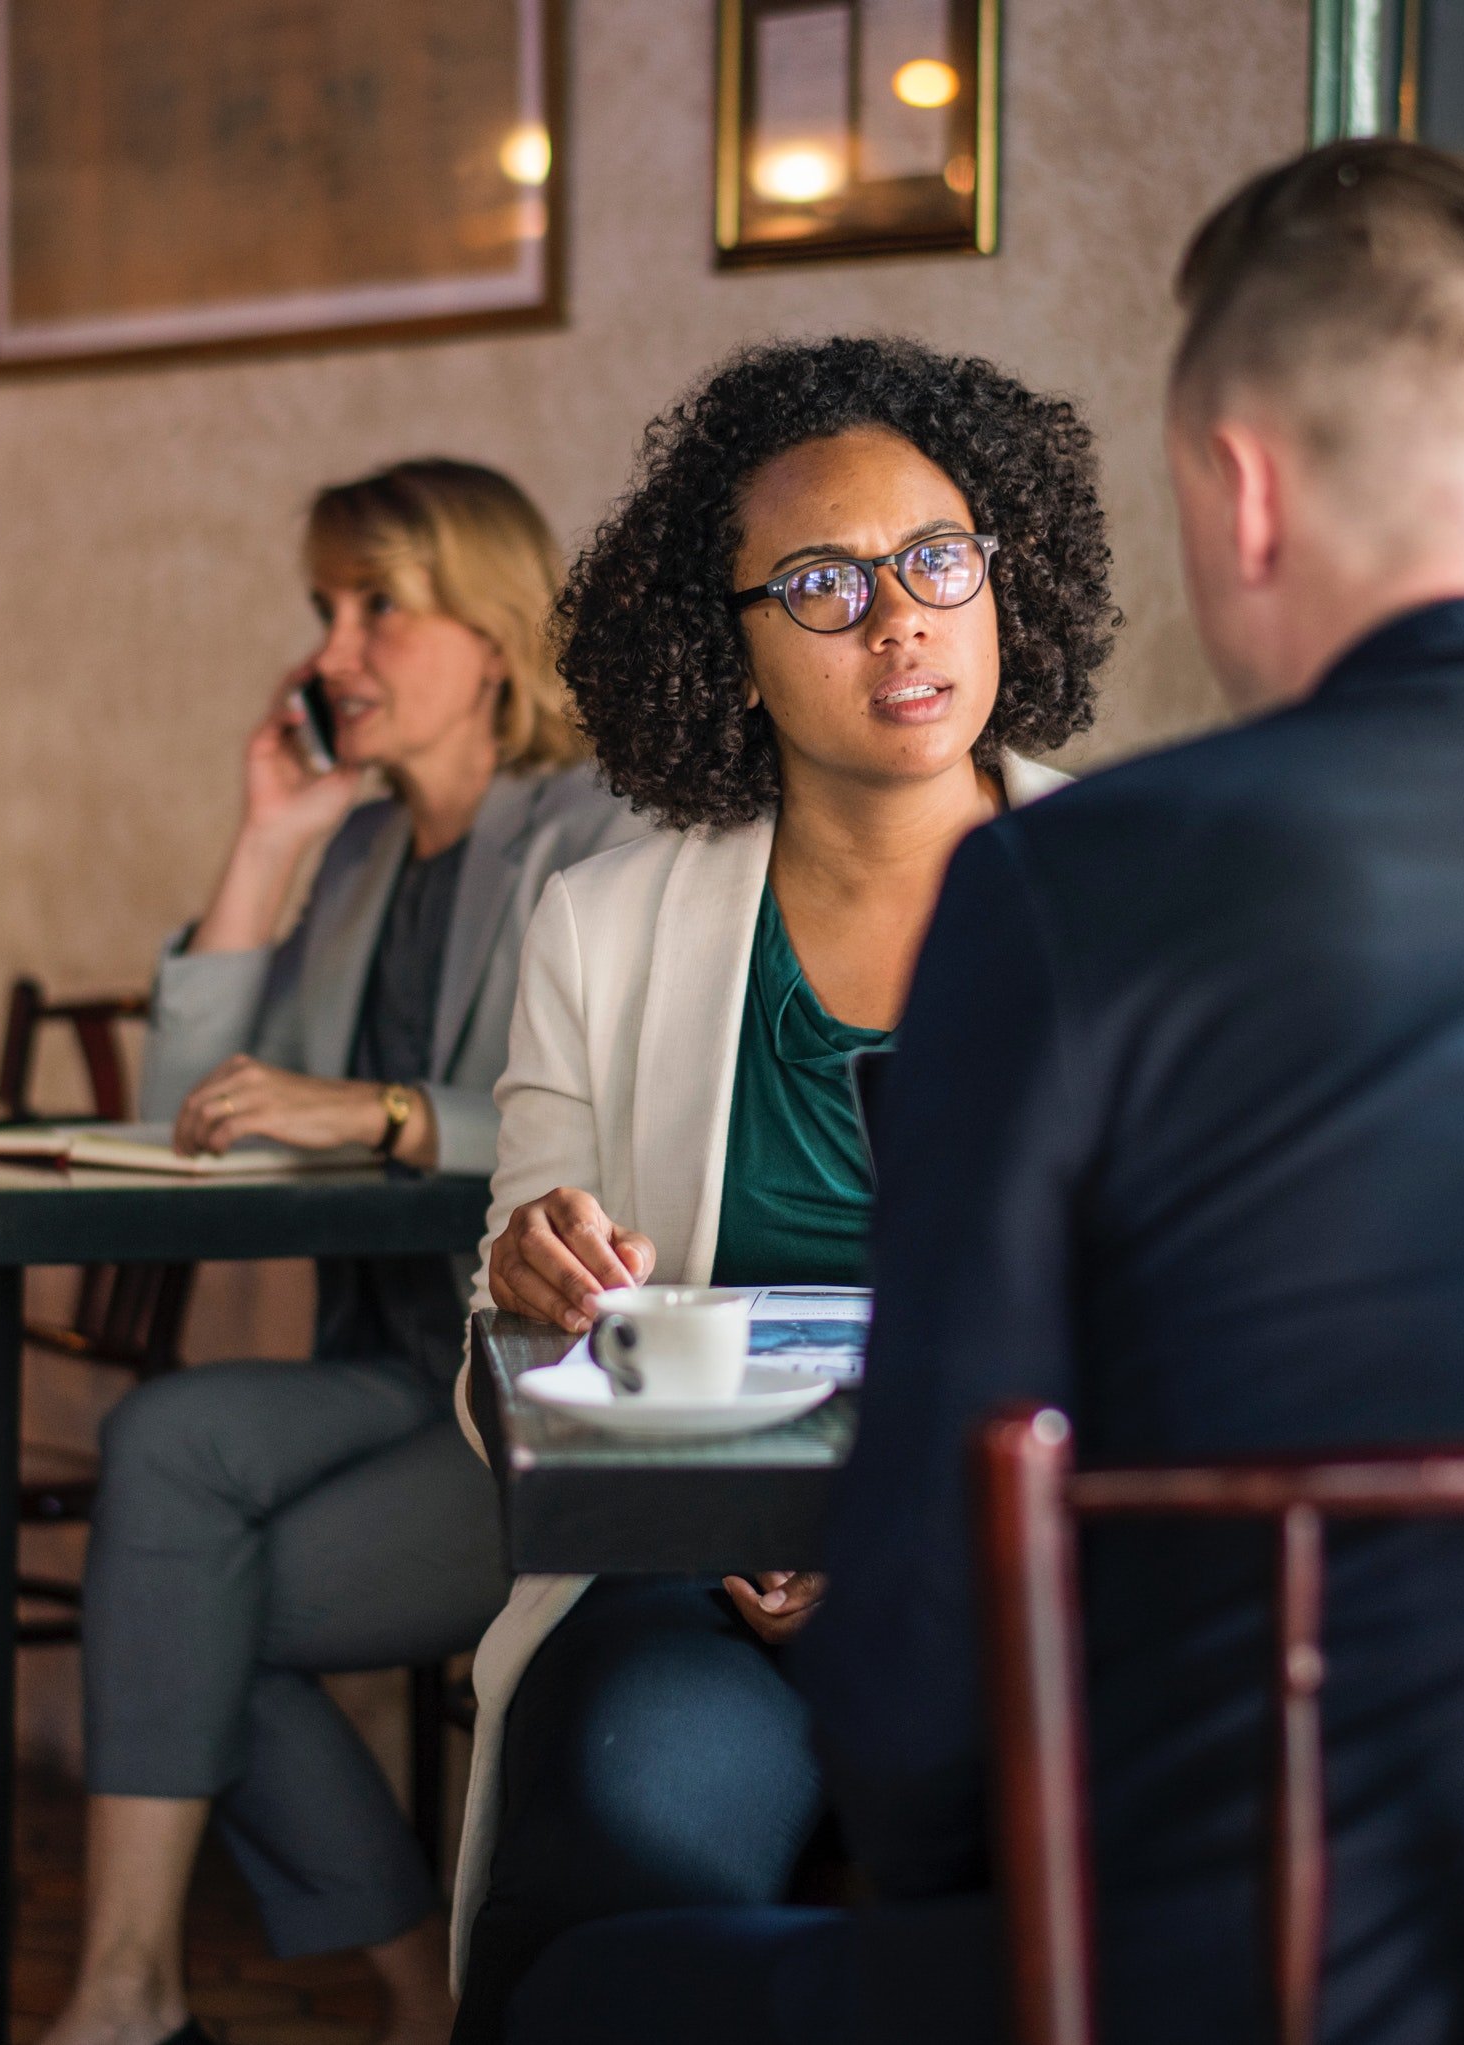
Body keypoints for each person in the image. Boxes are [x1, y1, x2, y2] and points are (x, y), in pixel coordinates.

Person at [510, 140, 1464, 2045]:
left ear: (1235, 490)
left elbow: (923, 1659)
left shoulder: (1078, 896)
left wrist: (963, 1873)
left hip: (1239, 1971)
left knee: (582, 1993)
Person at [447, 335, 1116, 2044]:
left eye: (937, 560)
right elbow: (516, 1371)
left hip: (1049, 1576)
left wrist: (918, 1546)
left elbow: (1202, 1334)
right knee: (615, 1853)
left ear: (997, 584)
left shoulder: (1142, 900)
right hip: (697, 1568)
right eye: (821, 581)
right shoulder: (602, 926)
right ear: (724, 649)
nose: (899, 617)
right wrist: (532, 1274)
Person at [52, 461, 644, 2045]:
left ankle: (164, 1995)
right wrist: (268, 836)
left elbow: (601, 1131)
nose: (333, 649)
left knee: (183, 1604)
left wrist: (378, 1110)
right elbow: (205, 1109)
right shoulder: (367, 851)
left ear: (499, 634)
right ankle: (185, 1988)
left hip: (523, 1397)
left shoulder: (597, 832)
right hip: (384, 1365)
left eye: (381, 605)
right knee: (162, 1442)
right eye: (326, 610)